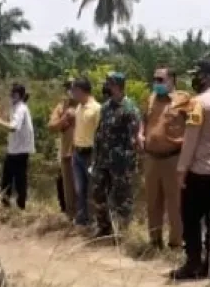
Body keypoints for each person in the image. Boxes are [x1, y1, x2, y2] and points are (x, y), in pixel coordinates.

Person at [170, 59, 210, 280]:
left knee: (191, 218)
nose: (195, 79)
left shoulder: (198, 102)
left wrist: (181, 170)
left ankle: (193, 264)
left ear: (206, 77)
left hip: (200, 171)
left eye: (198, 75)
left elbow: (191, 139)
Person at [138, 67, 192, 249]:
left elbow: (195, 125)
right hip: (152, 158)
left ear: (172, 81)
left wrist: (185, 142)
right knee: (153, 202)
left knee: (175, 203)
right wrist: (140, 134)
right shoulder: (151, 99)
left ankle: (176, 244)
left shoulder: (183, 100)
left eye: (160, 80)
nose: (157, 83)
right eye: (155, 80)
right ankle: (155, 242)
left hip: (173, 159)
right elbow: (144, 120)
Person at [91, 71, 141, 238]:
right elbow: (99, 133)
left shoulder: (130, 108)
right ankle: (103, 227)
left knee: (122, 197)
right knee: (98, 193)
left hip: (121, 162)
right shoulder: (105, 107)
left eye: (110, 83)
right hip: (103, 160)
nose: (107, 86)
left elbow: (134, 138)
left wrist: (130, 163)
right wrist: (95, 158)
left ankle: (122, 232)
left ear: (117, 86)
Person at [0, 83, 35, 210]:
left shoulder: (21, 108)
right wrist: (0, 120)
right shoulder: (15, 107)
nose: (11, 96)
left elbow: (13, 127)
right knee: (8, 178)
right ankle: (6, 204)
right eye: (11, 93)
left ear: (20, 96)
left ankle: (20, 205)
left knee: (19, 179)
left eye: (14, 94)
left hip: (20, 150)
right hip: (14, 149)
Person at [70, 78, 101, 226]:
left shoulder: (96, 109)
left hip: (90, 153)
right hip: (77, 152)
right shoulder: (79, 108)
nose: (72, 93)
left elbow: (100, 134)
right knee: (79, 189)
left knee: (92, 189)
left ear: (81, 90)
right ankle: (82, 219)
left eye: (74, 90)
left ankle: (95, 220)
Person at [48, 81, 78, 219]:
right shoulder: (61, 107)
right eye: (68, 88)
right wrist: (64, 118)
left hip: (83, 153)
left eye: (72, 88)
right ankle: (70, 217)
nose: (70, 91)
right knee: (68, 190)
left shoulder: (84, 106)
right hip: (67, 153)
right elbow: (52, 127)